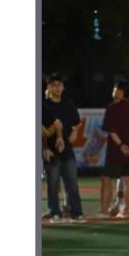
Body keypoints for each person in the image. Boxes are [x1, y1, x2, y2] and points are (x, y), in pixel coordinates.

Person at [42, 73, 85, 222]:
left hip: (67, 150)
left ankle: (77, 213)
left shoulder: (68, 104)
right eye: (53, 85)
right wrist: (45, 148)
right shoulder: (44, 105)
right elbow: (41, 130)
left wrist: (75, 132)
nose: (57, 88)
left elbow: (77, 122)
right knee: (53, 184)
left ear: (63, 87)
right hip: (51, 150)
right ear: (48, 87)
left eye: (59, 85)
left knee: (72, 182)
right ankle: (55, 212)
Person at [100, 80, 129, 218]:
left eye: (114, 89)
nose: (113, 92)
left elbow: (111, 130)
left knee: (106, 178)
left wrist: (121, 145)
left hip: (115, 151)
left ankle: (104, 211)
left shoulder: (112, 108)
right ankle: (126, 211)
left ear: (120, 91)